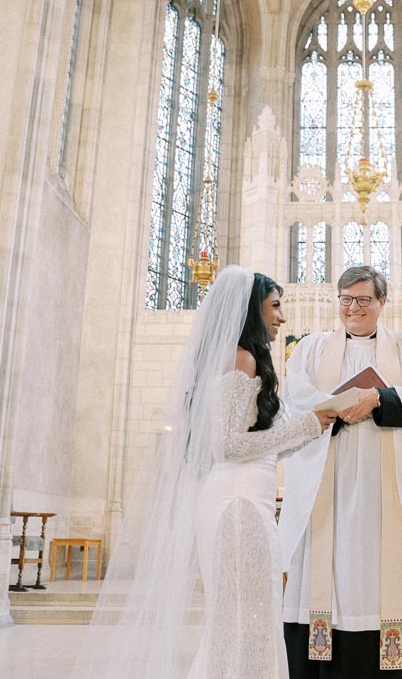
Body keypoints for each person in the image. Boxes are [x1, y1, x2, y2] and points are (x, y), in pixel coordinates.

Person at [82, 266, 335, 678]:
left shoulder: (240, 359)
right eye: (275, 307)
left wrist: (315, 426)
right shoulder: (241, 359)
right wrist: (306, 424)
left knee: (242, 622)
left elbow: (257, 449)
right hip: (238, 511)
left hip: (240, 502)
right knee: (245, 624)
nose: (282, 317)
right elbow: (229, 446)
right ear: (251, 310)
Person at [279, 265, 402, 677]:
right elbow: (295, 401)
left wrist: (379, 398)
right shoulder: (311, 349)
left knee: (391, 580)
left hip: (391, 493)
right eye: (345, 299)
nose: (353, 308)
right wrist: (342, 404)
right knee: (330, 576)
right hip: (331, 490)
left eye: (363, 300)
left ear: (382, 302)